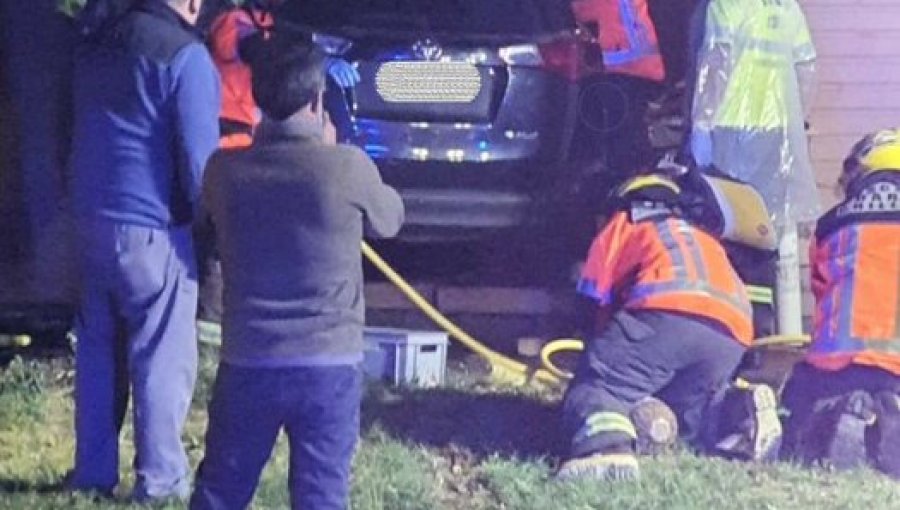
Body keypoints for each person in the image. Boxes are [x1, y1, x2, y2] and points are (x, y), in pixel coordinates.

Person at [189, 36, 404, 509]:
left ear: (259, 98)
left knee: (222, 490)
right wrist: (336, 144)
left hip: (249, 358)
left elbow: (202, 221)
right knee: (321, 494)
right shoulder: (346, 168)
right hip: (329, 363)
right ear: (317, 98)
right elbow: (391, 219)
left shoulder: (224, 171)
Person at [67, 0, 220, 502]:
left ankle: (91, 472)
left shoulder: (94, 42)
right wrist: (214, 232)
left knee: (96, 355)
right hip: (153, 231)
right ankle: (160, 479)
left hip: (89, 220)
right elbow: (202, 168)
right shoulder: (186, 57)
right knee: (160, 356)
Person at [557, 170, 780, 482]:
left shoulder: (625, 221)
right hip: (733, 328)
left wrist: (596, 347)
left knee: (601, 384)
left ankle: (605, 449)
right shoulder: (699, 234)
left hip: (666, 310)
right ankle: (740, 412)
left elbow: (592, 300)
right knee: (690, 412)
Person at [197, 0, 360, 326]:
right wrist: (314, 62)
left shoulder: (269, 22)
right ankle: (212, 327)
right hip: (230, 145)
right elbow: (259, 52)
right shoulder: (232, 21)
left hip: (255, 148)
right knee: (221, 248)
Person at [689, 0, 818, 335]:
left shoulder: (726, 4)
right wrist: (796, 123)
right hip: (777, 134)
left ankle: (730, 324)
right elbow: (806, 69)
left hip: (731, 128)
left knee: (729, 228)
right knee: (768, 232)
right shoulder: (787, 8)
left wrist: (702, 123)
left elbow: (715, 62)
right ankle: (763, 326)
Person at [780, 129, 900, 477]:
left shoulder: (829, 224)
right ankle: (882, 419)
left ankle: (846, 413)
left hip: (834, 362)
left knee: (801, 411)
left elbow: (821, 292)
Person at [569, 0, 666, 183]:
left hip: (622, 63)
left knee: (622, 140)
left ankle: (630, 185)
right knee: (621, 135)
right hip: (617, 63)